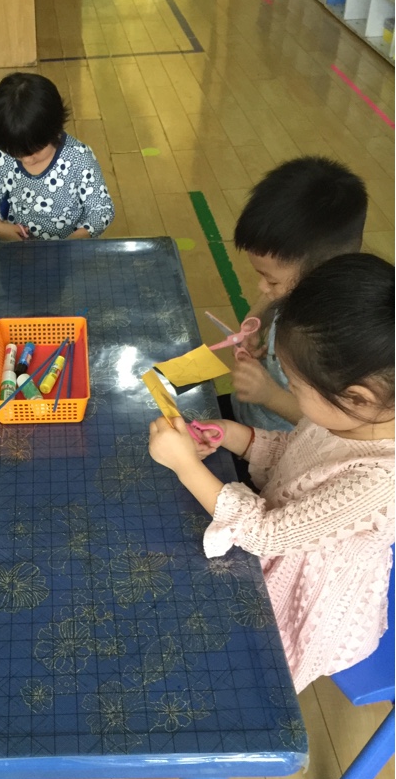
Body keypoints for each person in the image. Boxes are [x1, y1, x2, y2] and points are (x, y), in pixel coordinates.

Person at [148, 254, 394, 694]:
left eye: (295, 386)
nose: (290, 394)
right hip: (278, 546)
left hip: (304, 598)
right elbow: (297, 455)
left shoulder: (380, 480)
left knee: (243, 674)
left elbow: (267, 534)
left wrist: (186, 465)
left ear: (357, 396)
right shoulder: (353, 418)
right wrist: (234, 435)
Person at [227, 156, 368, 432]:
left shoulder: (345, 342)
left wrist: (270, 395)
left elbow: (333, 432)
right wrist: (257, 318)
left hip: (283, 444)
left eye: (271, 280)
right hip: (247, 418)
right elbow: (274, 296)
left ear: (320, 272)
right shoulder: (305, 283)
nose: (263, 288)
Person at [0, 72, 115, 241]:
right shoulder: (3, 155)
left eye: (35, 151)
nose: (26, 160)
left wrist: (74, 241)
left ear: (55, 131)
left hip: (71, 248)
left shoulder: (79, 158)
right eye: (16, 153)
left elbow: (101, 210)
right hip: (20, 248)